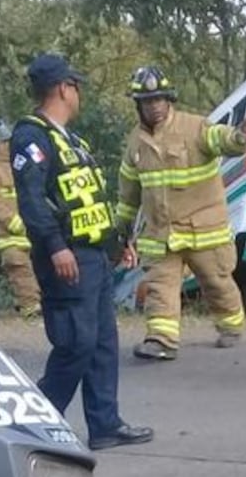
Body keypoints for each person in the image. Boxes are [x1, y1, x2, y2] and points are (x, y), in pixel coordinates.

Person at [11, 53, 152, 451]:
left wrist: (115, 244)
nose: (78, 93)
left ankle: (105, 424)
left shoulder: (73, 140)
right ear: (63, 88)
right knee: (77, 343)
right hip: (66, 258)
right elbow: (33, 201)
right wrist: (56, 247)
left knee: (104, 343)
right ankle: (34, 424)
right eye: (75, 86)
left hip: (92, 257)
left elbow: (86, 200)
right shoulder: (31, 136)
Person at [117, 66, 246, 360]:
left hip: (203, 228)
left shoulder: (195, 127)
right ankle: (161, 340)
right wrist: (123, 227)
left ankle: (231, 324)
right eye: (147, 101)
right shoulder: (135, 143)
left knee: (216, 281)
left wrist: (240, 137)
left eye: (158, 99)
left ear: (170, 100)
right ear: (138, 105)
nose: (153, 106)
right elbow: (128, 191)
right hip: (161, 234)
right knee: (160, 285)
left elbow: (222, 139)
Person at [0, 116, 41, 318]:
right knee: (20, 271)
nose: (8, 145)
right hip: (9, 236)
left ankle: (31, 306)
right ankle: (30, 310)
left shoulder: (17, 162)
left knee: (39, 271)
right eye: (4, 142)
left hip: (31, 232)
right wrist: (17, 224)